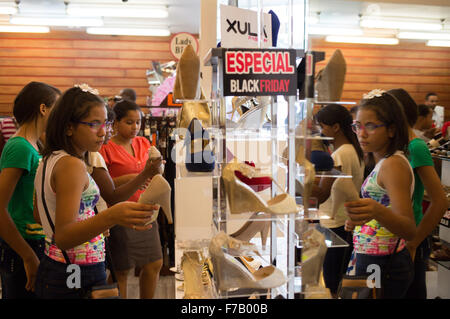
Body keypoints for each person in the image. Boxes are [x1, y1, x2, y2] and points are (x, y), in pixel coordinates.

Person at [33, 84, 156, 299]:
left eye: (106, 123)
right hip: (75, 271)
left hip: (59, 265)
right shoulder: (72, 165)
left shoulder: (49, 159)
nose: (103, 132)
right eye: (93, 124)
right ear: (69, 127)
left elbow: (41, 213)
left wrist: (93, 224)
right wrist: (110, 216)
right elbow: (63, 236)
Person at [344, 89, 416, 299]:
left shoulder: (393, 165)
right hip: (372, 257)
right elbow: (382, 212)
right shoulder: (382, 161)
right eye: (357, 126)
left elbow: (409, 228)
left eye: (370, 126)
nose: (361, 133)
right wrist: (361, 218)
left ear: (392, 130)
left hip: (383, 262)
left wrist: (374, 210)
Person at [0, 82, 60, 299]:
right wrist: (26, 255)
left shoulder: (34, 145)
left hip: (35, 242)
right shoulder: (20, 147)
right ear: (43, 109)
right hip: (22, 244)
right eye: (57, 107)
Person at [388, 88, 447, 299]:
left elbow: (439, 201)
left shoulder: (415, 146)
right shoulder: (397, 146)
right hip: (393, 238)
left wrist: (414, 242)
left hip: (410, 239)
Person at [99, 99, 162, 299]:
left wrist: (158, 168)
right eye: (129, 122)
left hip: (147, 210)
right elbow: (102, 185)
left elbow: (156, 171)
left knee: (154, 263)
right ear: (115, 122)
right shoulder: (106, 148)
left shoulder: (143, 143)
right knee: (121, 270)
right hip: (121, 213)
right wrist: (131, 178)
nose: (135, 127)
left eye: (138, 122)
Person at [312, 104, 365, 297]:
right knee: (337, 278)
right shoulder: (353, 150)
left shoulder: (340, 154)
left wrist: (299, 178)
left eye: (322, 127)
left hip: (335, 224)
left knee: (332, 281)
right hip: (342, 222)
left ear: (336, 127)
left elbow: (322, 193)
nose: (319, 132)